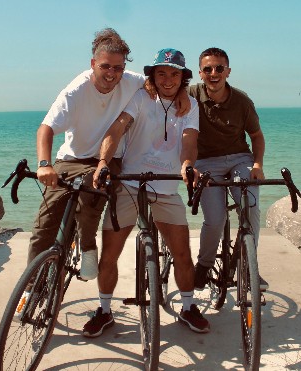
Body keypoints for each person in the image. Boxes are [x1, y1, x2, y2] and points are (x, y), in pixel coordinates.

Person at [18, 29, 190, 318]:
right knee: (43, 226)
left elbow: (167, 83)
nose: (112, 73)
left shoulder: (133, 81)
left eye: (118, 67)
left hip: (109, 159)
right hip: (70, 158)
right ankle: (32, 286)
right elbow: (45, 129)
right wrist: (44, 164)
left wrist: (184, 90)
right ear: (92, 64)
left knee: (93, 189)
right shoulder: (75, 91)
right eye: (105, 66)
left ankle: (87, 250)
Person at [82, 48, 210, 337]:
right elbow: (116, 129)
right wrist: (103, 161)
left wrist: (188, 163)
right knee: (109, 255)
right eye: (161, 73)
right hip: (129, 185)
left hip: (165, 188)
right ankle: (104, 311)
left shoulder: (190, 105)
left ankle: (188, 307)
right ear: (152, 75)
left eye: (174, 74)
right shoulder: (141, 97)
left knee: (182, 254)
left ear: (183, 77)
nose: (167, 79)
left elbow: (190, 141)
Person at [188, 47, 269, 291]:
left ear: (228, 71)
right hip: (205, 162)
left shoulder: (242, 101)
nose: (214, 73)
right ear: (200, 73)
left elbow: (256, 136)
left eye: (219, 68)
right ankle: (203, 265)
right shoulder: (189, 95)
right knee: (215, 218)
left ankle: (248, 266)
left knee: (250, 207)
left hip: (238, 158)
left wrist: (257, 165)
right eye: (208, 69)